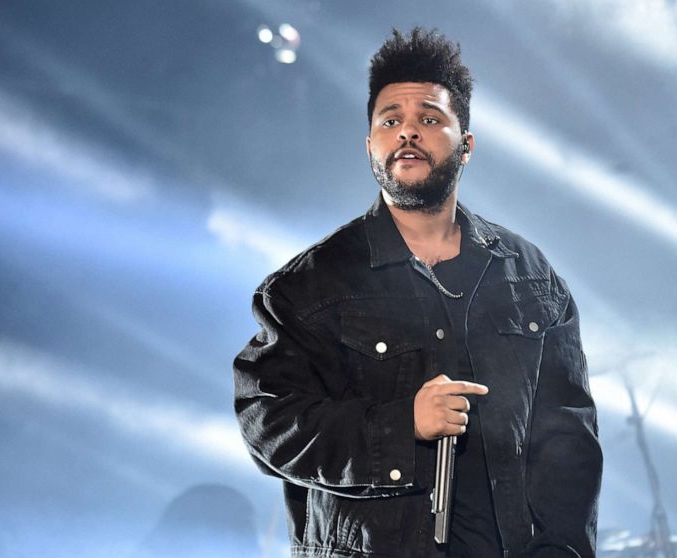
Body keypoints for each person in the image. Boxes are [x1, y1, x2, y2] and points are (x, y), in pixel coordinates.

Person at [234, 27, 602, 558]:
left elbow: (569, 441)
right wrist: (401, 424)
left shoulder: (529, 276)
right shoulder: (309, 286)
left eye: (429, 119)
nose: (408, 133)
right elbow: (267, 423)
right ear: (370, 145)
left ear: (466, 145)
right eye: (391, 121)